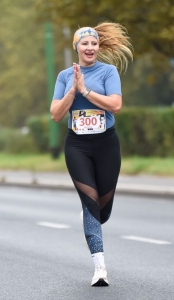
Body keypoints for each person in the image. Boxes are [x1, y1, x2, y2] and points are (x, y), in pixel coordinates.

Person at [50, 22, 133, 286]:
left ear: (98, 47)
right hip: (78, 146)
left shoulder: (108, 72)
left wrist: (86, 90)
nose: (90, 47)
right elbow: (55, 114)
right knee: (90, 202)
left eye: (94, 43)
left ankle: (92, 213)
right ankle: (100, 268)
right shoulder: (65, 76)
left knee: (102, 211)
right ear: (76, 47)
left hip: (107, 144)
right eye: (84, 43)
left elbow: (116, 105)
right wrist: (73, 91)